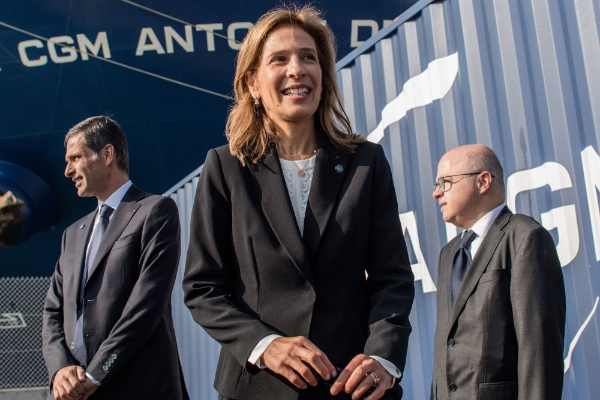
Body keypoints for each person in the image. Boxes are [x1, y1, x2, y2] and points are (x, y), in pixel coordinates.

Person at [182, 5, 414, 400]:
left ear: (323, 76)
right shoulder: (224, 168)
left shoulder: (366, 163)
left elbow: (391, 279)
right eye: (279, 59)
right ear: (253, 83)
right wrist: (264, 345)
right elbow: (202, 287)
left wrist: (384, 359)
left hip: (351, 386)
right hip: (257, 387)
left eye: (309, 57)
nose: (297, 69)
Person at [42, 116, 188, 400]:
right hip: (77, 392)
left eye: (75, 158)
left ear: (107, 154)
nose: (67, 170)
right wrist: (60, 370)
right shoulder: (72, 235)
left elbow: (145, 305)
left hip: (140, 388)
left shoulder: (155, 212)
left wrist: (97, 373)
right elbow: (53, 311)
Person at [431, 144, 566, 399]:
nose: (436, 193)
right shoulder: (448, 255)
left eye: (445, 182)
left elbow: (539, 351)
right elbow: (446, 352)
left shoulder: (525, 238)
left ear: (483, 181)